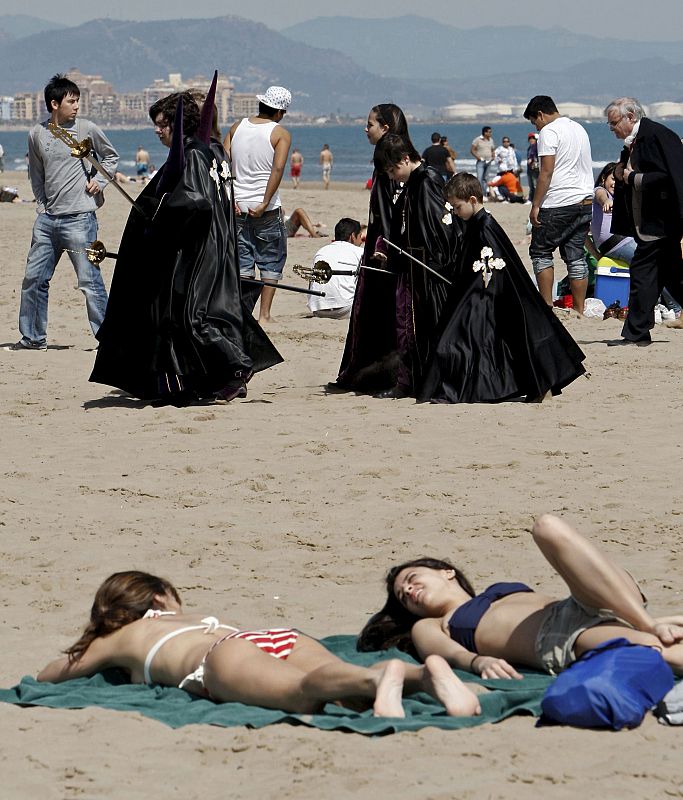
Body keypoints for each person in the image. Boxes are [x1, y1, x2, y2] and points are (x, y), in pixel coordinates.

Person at [36, 570, 481, 719]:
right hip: (266, 636)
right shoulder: (192, 618)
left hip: (218, 660)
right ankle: (424, 676)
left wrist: (93, 644)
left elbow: (53, 674)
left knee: (305, 693)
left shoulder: (122, 636)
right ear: (159, 597)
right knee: (339, 690)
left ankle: (382, 676)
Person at [90, 88, 282, 405]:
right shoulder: (214, 149)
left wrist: (158, 216)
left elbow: (194, 201)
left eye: (163, 124)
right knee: (218, 312)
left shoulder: (194, 154)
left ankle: (238, 368)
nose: (157, 130)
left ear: (179, 125)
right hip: (219, 244)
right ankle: (215, 377)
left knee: (194, 315)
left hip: (202, 250)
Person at [358, 513, 683, 679]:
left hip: (586, 602)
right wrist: (477, 661)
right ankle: (648, 626)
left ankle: (644, 621)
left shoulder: (493, 591)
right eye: (404, 596)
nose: (410, 591)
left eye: (412, 580)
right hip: (562, 635)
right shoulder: (434, 625)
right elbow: (446, 655)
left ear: (447, 571)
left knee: (547, 526)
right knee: (660, 652)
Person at [419, 173, 585, 403]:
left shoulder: (485, 226)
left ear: (473, 200)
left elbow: (492, 266)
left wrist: (478, 296)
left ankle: (538, 384)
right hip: (486, 292)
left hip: (495, 293)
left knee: (498, 337)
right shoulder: (475, 224)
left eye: (458, 207)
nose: (456, 213)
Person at [5, 74, 118, 352]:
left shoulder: (86, 129)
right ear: (54, 104)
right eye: (71, 101)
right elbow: (36, 175)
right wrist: (42, 206)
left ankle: (108, 343)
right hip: (47, 220)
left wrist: (100, 181)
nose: (77, 105)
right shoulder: (36, 134)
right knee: (34, 279)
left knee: (89, 282)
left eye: (78, 100)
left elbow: (111, 157)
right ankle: (32, 338)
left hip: (81, 218)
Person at [371, 134, 461, 399]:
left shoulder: (427, 182)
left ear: (406, 159)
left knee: (421, 328)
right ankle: (410, 381)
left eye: (393, 169)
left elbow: (439, 230)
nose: (392, 176)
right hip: (412, 267)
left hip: (427, 270)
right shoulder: (413, 182)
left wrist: (429, 260)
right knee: (408, 328)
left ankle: (419, 382)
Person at [333, 104, 409, 392]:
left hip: (385, 246)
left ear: (386, 128)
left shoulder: (387, 164)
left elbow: (390, 212)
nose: (366, 129)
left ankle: (383, 375)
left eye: (371, 124)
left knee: (384, 311)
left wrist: (381, 245)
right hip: (381, 240)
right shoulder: (385, 161)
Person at [604, 97, 683, 346]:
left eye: (614, 123)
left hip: (660, 222)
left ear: (631, 117)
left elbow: (668, 176)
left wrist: (633, 177)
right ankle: (638, 331)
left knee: (641, 272)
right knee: (671, 274)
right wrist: (620, 171)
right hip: (652, 222)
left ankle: (636, 332)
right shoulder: (638, 139)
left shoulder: (654, 135)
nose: (613, 129)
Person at [225, 86, 292, 324]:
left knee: (243, 260)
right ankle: (264, 314)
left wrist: (229, 197)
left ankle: (243, 313)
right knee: (271, 260)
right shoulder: (280, 133)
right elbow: (278, 168)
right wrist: (264, 202)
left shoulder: (236, 128)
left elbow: (223, 165)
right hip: (266, 207)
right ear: (280, 112)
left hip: (238, 205)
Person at [524, 95, 594, 315]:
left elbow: (546, 171)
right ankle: (580, 309)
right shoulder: (579, 128)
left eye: (534, 122)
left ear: (541, 115)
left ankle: (546, 306)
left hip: (559, 202)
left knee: (540, 251)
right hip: (585, 200)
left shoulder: (549, 132)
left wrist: (535, 205)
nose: (536, 126)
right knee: (575, 255)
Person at [307, 217, 363, 319]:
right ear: (352, 236)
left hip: (318, 309)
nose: (361, 242)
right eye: (360, 237)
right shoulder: (359, 252)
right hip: (346, 309)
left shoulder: (321, 251)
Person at [470, 126, 495, 197]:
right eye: (489, 132)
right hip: (481, 161)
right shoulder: (477, 140)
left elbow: (493, 149)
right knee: (479, 178)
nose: (491, 133)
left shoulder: (491, 140)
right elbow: (472, 150)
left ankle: (484, 193)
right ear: (485, 132)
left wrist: (493, 156)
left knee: (486, 178)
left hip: (489, 161)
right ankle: (479, 193)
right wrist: (478, 157)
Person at [526, 133, 539, 204]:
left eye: (532, 138)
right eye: (530, 139)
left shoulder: (536, 147)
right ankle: (531, 199)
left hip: (535, 169)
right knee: (531, 185)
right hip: (530, 169)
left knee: (534, 185)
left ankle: (533, 200)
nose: (531, 140)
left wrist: (531, 159)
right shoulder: (529, 148)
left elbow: (533, 155)